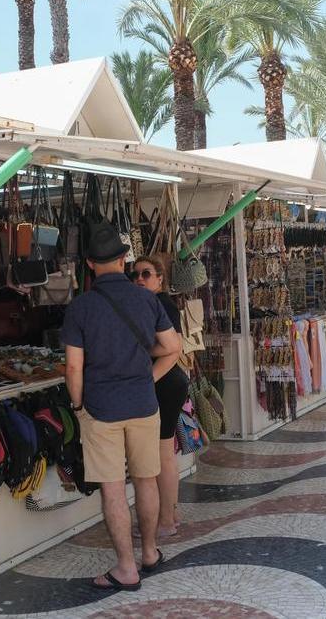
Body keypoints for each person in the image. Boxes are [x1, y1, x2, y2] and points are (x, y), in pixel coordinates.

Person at [62, 223, 181, 592]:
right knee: (146, 480)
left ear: (89, 264)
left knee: (113, 489)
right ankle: (149, 552)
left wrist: (78, 405)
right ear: (123, 258)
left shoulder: (80, 308)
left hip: (102, 410)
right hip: (144, 405)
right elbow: (172, 346)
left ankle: (126, 568)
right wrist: (146, 372)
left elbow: (73, 367)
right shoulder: (147, 300)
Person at [130, 256, 189, 539]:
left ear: (159, 279)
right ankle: (170, 514)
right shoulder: (151, 304)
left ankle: (165, 520)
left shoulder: (162, 303)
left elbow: (173, 346)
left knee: (163, 454)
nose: (139, 279)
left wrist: (140, 352)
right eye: (135, 274)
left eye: (146, 274)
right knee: (162, 453)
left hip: (165, 383)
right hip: (166, 382)